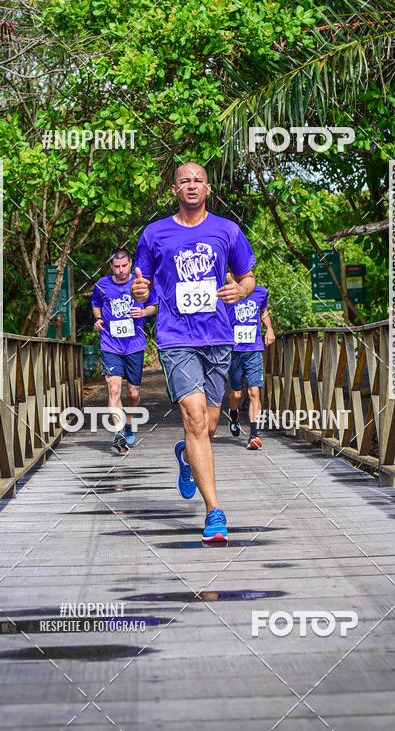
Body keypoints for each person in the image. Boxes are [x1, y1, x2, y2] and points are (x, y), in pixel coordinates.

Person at [131, 162, 256, 543]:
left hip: (218, 336)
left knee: (210, 424)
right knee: (196, 418)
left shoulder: (227, 230)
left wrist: (241, 291)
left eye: (197, 180)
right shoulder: (154, 234)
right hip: (175, 337)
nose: (191, 185)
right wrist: (140, 291)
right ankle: (214, 511)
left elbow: (248, 276)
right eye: (184, 180)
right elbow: (143, 283)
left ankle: (186, 457)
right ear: (174, 190)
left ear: (208, 189)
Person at [92, 248, 158, 453]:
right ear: (111, 265)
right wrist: (97, 319)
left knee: (133, 393)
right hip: (110, 344)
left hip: (134, 345)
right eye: (116, 266)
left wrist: (143, 311)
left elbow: (153, 306)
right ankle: (119, 433)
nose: (120, 270)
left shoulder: (141, 283)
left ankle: (129, 424)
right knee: (113, 388)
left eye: (124, 266)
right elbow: (95, 303)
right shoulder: (102, 285)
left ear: (131, 263)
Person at [226, 285, 275, 449]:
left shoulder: (260, 292)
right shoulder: (228, 291)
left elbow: (264, 312)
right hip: (234, 351)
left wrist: (269, 328)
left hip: (254, 349)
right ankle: (234, 414)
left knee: (254, 391)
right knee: (237, 394)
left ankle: (254, 434)